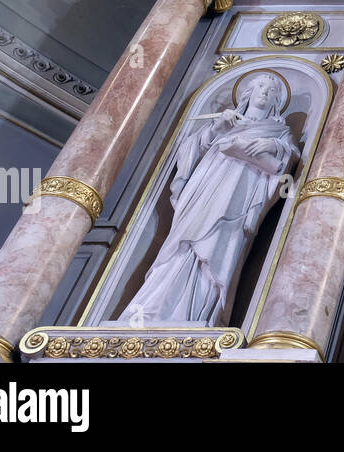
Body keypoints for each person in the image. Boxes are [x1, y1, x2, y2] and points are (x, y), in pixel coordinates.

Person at [118, 72, 299, 325]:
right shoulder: (225, 122)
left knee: (219, 248)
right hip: (204, 191)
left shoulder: (279, 133)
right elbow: (192, 150)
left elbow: (288, 163)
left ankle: (199, 313)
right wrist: (219, 127)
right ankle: (153, 307)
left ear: (277, 100)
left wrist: (273, 146)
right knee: (182, 242)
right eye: (260, 87)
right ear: (248, 93)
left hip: (238, 198)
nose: (264, 93)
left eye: (271, 91)